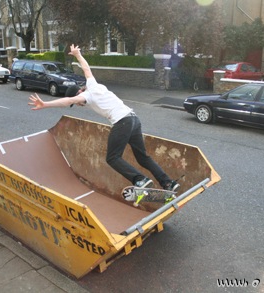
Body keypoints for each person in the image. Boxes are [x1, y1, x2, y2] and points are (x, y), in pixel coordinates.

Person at [28, 44, 180, 192]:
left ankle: (140, 180)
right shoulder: (93, 84)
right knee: (143, 157)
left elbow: (68, 101)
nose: (79, 104)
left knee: (112, 158)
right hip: (134, 119)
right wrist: (77, 55)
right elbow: (86, 69)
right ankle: (168, 183)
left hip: (123, 122)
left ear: (78, 93)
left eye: (78, 102)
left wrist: (45, 104)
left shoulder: (84, 95)